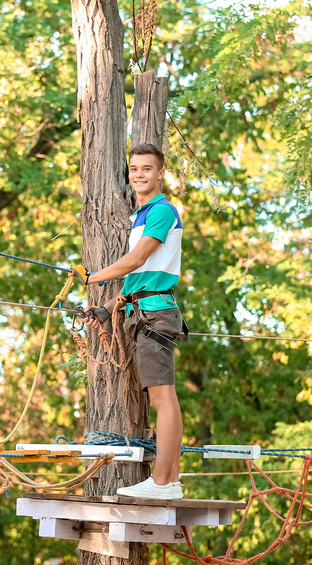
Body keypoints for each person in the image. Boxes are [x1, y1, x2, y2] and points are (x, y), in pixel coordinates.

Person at [70, 143, 187, 500]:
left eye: (147, 168)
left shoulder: (162, 211)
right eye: (134, 168)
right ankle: (168, 480)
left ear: (160, 172)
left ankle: (165, 483)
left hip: (155, 314)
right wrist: (106, 308)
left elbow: (137, 260)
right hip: (141, 309)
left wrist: (92, 277)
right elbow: (138, 277)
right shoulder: (141, 216)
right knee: (162, 398)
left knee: (163, 399)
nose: (139, 174)